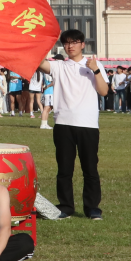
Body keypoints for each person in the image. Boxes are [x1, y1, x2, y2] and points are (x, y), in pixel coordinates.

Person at [40, 28, 108, 219]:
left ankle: (92, 207)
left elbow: (104, 91)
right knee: (64, 169)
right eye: (66, 43)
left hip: (88, 124)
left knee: (90, 168)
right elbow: (38, 62)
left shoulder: (94, 65)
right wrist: (44, 40)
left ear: (82, 44)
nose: (70, 46)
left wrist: (95, 70)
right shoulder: (59, 66)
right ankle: (66, 206)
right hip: (63, 123)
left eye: (74, 42)